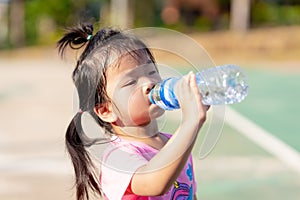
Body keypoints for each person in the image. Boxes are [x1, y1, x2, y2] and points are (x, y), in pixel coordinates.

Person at [57, 23, 208, 200]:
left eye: (151, 71)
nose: (148, 83)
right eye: (131, 82)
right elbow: (155, 183)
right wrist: (190, 122)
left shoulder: (173, 142)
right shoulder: (116, 157)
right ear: (106, 110)